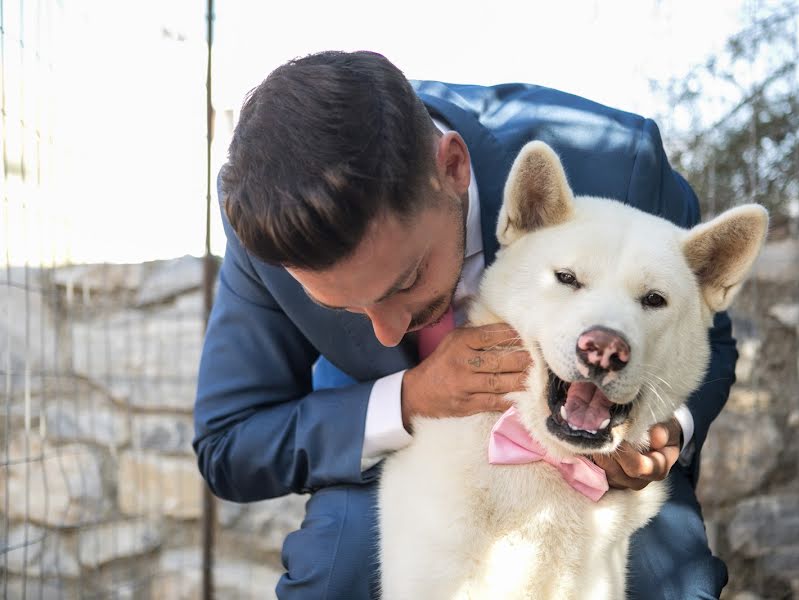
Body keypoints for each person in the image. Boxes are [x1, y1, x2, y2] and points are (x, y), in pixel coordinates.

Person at [193, 50, 736, 599]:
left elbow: (708, 333)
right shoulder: (269, 228)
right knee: (335, 580)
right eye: (345, 307)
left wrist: (666, 434)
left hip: (598, 467)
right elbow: (230, 442)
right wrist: (408, 398)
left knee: (670, 585)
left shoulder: (617, 162)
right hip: (397, 463)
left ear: (452, 168)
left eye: (406, 281)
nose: (385, 333)